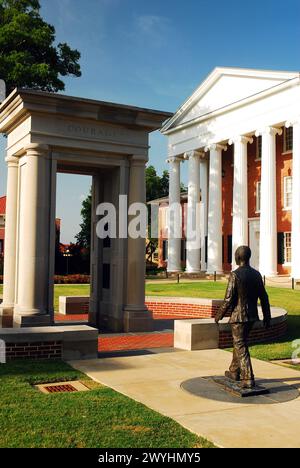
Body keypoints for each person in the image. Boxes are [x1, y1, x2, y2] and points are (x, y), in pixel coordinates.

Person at [215, 245, 271, 389]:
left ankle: (248, 377)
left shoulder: (235, 274)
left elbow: (228, 299)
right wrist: (267, 317)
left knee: (240, 344)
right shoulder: (256, 274)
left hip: (239, 316)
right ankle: (234, 371)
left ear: (238, 257)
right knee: (240, 342)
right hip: (252, 316)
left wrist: (219, 315)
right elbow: (264, 297)